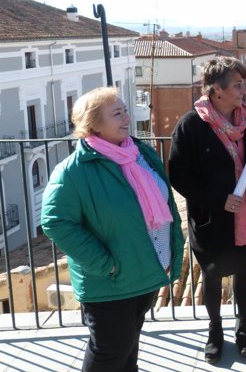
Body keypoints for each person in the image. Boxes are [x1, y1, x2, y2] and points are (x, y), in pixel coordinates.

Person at [41, 87, 184, 372]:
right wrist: (103, 264)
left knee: (128, 348)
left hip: (145, 272)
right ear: (93, 124)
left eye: (126, 110)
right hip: (110, 282)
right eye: (117, 113)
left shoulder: (138, 152)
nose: (126, 118)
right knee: (109, 352)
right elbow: (55, 221)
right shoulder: (73, 171)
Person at [168, 56, 246, 364]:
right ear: (216, 90)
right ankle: (215, 331)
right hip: (212, 216)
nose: (244, 90)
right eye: (238, 85)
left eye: (243, 84)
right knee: (213, 273)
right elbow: (179, 175)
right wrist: (218, 199)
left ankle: (243, 329)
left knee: (244, 271)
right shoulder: (191, 125)